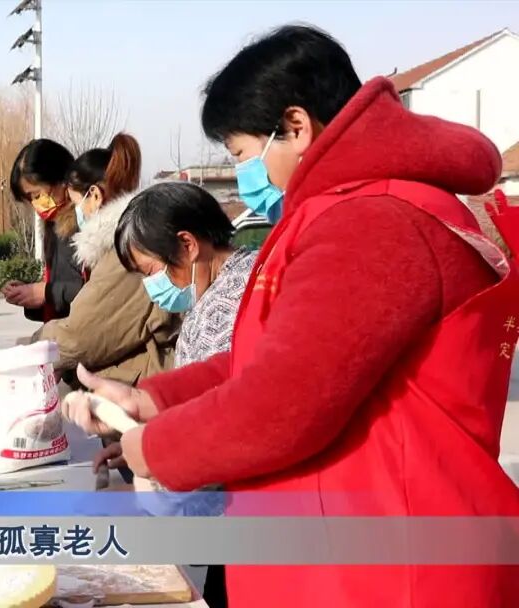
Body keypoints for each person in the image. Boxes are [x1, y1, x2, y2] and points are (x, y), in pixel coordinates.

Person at [63, 24, 519, 608]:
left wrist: (155, 449)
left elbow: (286, 400)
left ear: (296, 126)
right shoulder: (343, 211)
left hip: (385, 567)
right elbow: (268, 361)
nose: (245, 174)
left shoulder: (373, 221)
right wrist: (151, 401)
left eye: (241, 154)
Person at [92, 181, 259, 608]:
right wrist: (144, 435)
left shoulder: (236, 301)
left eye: (150, 272)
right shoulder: (215, 290)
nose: (151, 286)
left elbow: (224, 425)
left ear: (187, 245)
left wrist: (154, 469)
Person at [33, 133, 178, 388]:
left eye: (75, 204)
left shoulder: (125, 251)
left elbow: (79, 337)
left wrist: (31, 346)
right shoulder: (129, 238)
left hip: (158, 385)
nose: (75, 214)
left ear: (95, 196)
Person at [4, 139, 85, 322]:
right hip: (62, 332)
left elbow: (100, 293)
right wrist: (29, 295)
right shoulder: (52, 227)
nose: (36, 204)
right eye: (30, 199)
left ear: (61, 179)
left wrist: (47, 292)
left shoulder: (86, 225)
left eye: (37, 195)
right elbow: (61, 300)